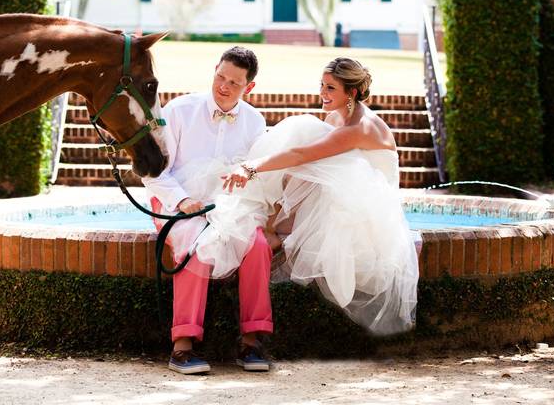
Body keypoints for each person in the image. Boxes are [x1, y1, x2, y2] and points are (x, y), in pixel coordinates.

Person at [195, 57, 419, 335]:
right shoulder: (337, 116)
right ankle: (269, 221)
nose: (322, 94)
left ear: (352, 93)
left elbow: (303, 155)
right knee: (302, 130)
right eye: (322, 85)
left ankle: (270, 226)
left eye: (331, 89)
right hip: (344, 189)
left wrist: (251, 167)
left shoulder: (360, 127)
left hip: (367, 207)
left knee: (300, 129)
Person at [142, 46, 272, 375]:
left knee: (257, 246)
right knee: (197, 245)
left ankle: (252, 341)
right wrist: (182, 201)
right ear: (215, 70)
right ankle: (182, 346)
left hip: (227, 207)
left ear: (249, 87)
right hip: (176, 202)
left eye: (234, 83)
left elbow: (257, 177)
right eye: (220, 77)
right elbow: (152, 170)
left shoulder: (256, 121)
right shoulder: (180, 110)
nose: (224, 87)